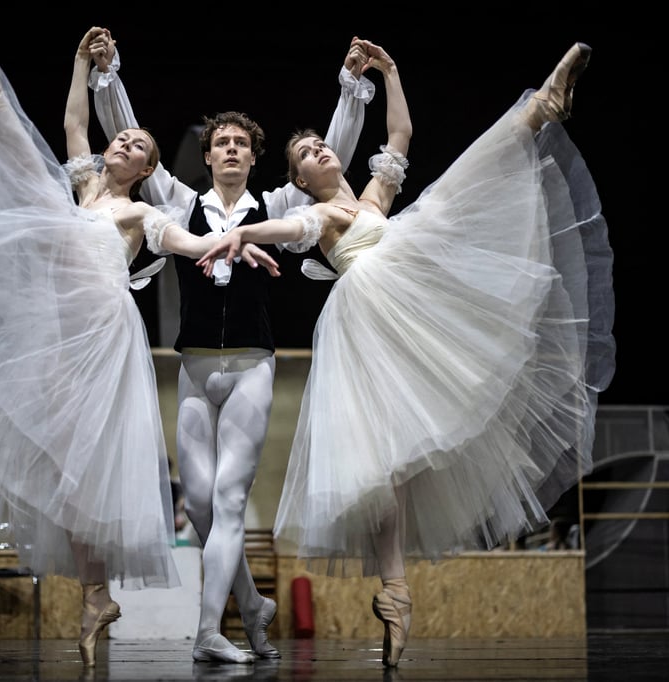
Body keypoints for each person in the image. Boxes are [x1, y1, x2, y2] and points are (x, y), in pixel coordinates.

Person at [0, 24, 278, 667]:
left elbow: (193, 246)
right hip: (60, 331)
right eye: (122, 136)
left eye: (138, 143)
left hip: (104, 337)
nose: (124, 140)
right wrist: (81, 66)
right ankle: (96, 596)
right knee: (65, 469)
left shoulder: (144, 213)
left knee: (89, 468)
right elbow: (72, 123)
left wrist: (234, 241)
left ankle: (101, 594)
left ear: (146, 170)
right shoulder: (82, 189)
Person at [197, 40, 615, 667]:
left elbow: (401, 132)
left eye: (321, 145)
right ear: (301, 181)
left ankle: (540, 110)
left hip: (407, 298)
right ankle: (395, 593)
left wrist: (390, 72)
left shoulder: (371, 200)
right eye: (307, 155)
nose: (320, 150)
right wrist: (236, 235)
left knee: (458, 190)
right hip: (369, 321)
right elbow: (281, 230)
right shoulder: (322, 217)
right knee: (380, 469)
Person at [89, 31, 375, 664]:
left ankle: (208, 632)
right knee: (207, 513)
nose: (230, 148)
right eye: (221, 141)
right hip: (192, 368)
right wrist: (108, 74)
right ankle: (253, 606)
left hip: (251, 366)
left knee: (229, 500)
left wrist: (349, 91)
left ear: (254, 157)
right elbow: (133, 142)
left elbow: (333, 162)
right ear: (207, 152)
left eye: (242, 142)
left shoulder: (277, 204)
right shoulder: (179, 201)